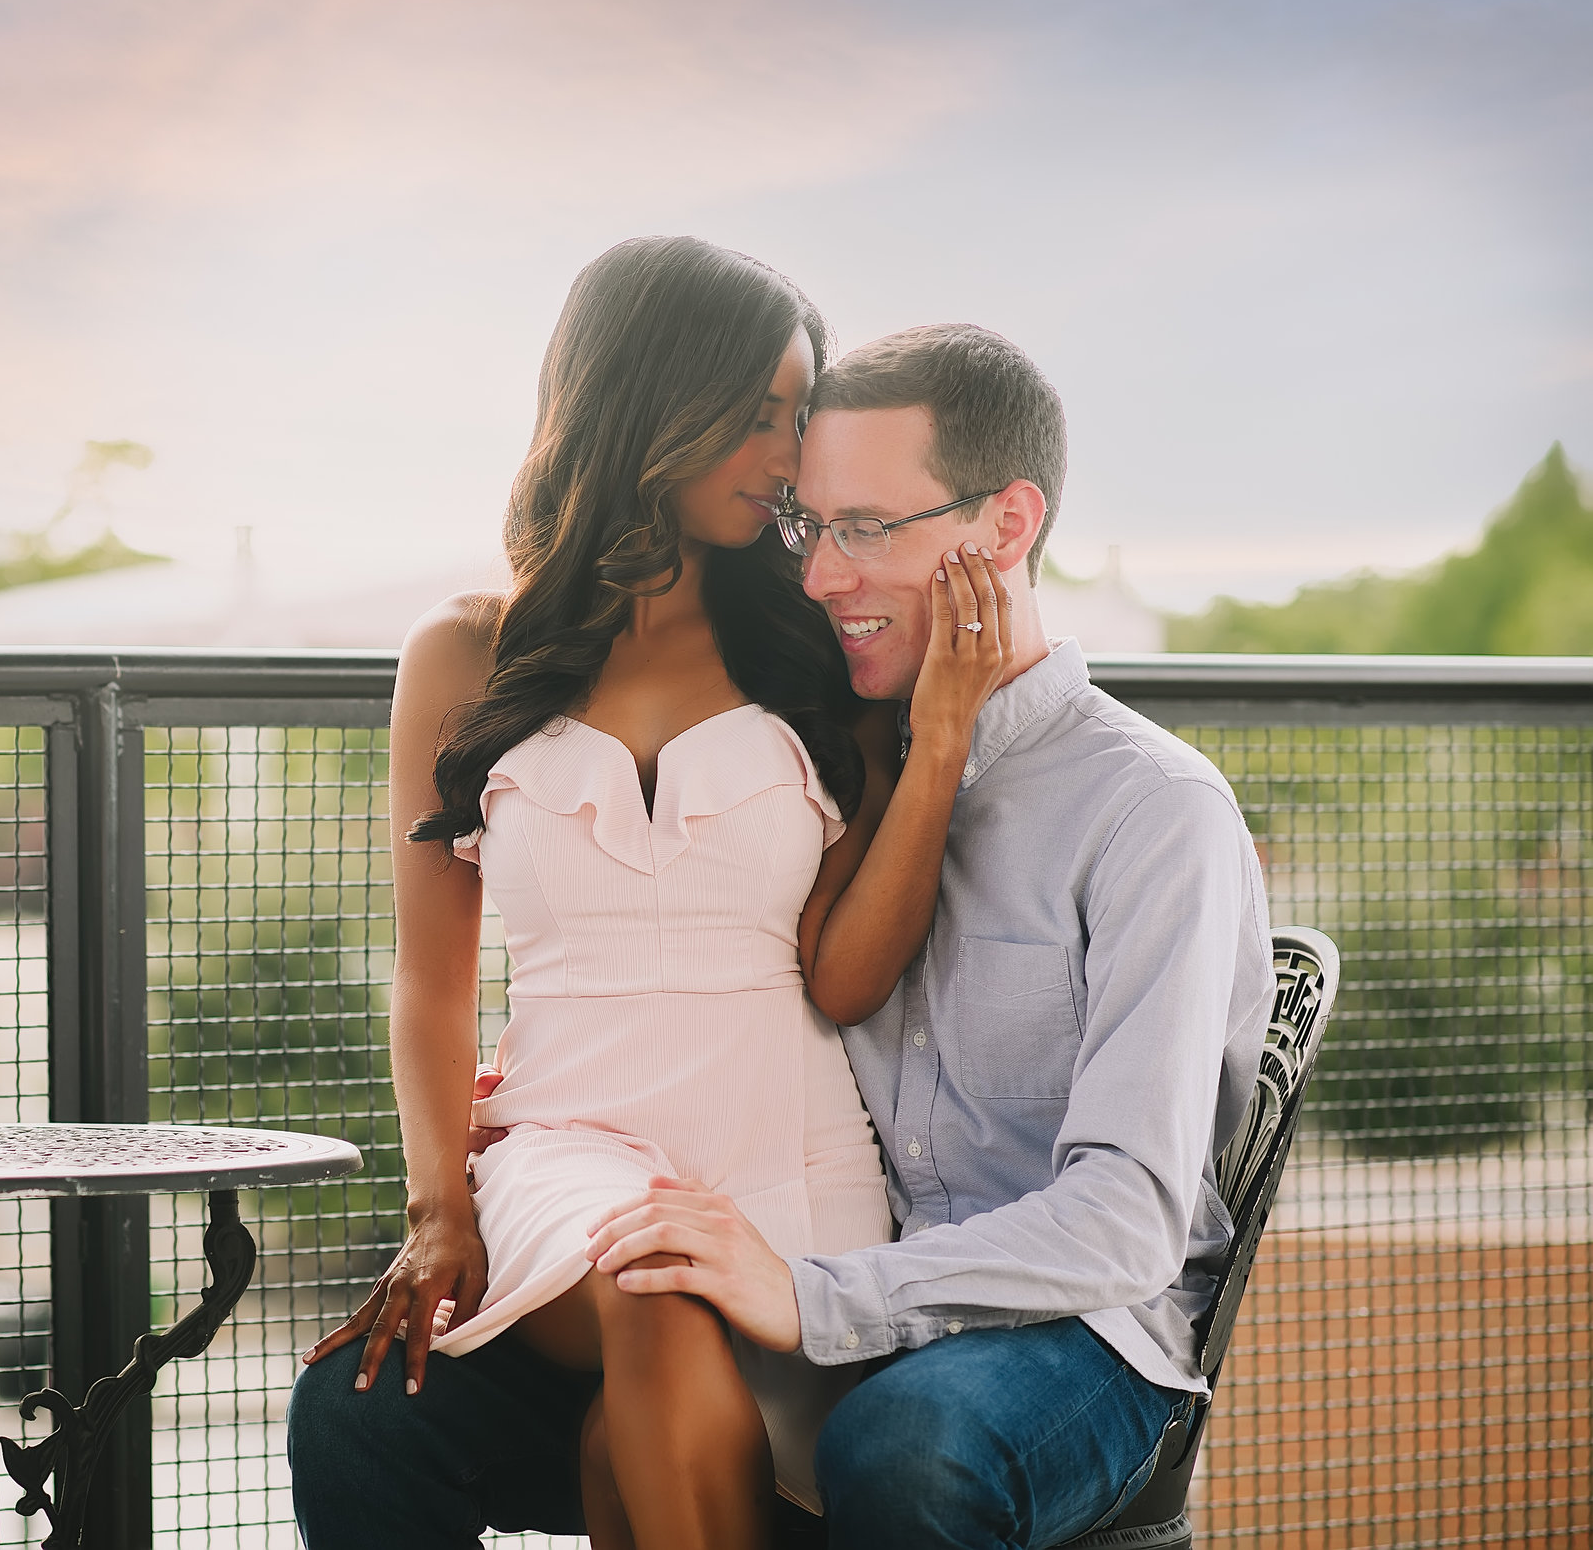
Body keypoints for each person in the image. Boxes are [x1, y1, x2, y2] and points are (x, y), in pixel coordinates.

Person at [288, 320, 1277, 1550]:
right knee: (367, 1408)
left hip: (1063, 1320)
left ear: (1006, 526)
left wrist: (812, 1294)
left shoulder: (1149, 810)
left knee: (897, 1444)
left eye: (864, 528)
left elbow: (1125, 1221)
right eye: (811, 526)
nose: (816, 575)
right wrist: (495, 1148)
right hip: (791, 1262)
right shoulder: (850, 733)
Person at [293, 238, 1016, 1550]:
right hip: (566, 1141)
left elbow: (842, 972)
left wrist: (938, 748)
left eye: (795, 416)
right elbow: (432, 975)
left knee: (629, 1427)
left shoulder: (806, 639)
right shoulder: (464, 651)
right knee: (646, 1267)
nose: (787, 454)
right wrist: (437, 1206)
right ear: (647, 401)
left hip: (785, 1144)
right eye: (754, 416)